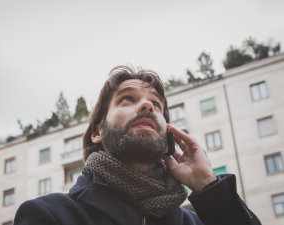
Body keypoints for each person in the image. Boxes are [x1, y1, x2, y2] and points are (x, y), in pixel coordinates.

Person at [14, 66, 261, 225]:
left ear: (168, 135)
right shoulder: (50, 216)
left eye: (156, 103)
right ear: (97, 132)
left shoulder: (195, 222)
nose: (147, 106)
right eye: (127, 99)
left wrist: (207, 185)